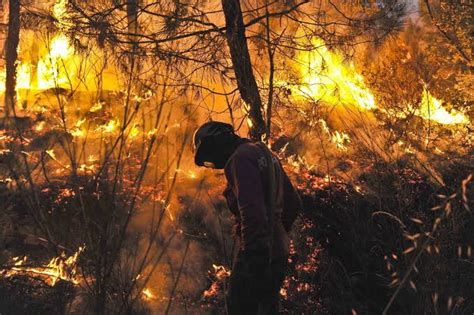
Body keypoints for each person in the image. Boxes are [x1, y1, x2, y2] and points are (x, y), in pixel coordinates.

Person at [193, 121, 302, 315]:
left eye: (208, 157)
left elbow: (252, 212)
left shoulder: (239, 159)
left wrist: (254, 255)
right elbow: (293, 203)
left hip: (256, 253)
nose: (212, 164)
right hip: (278, 251)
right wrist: (277, 237)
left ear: (217, 142)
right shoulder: (264, 152)